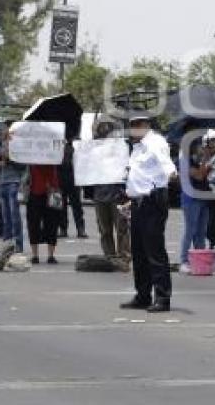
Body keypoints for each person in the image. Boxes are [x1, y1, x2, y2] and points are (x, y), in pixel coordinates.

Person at [120, 114, 177, 313]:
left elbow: (165, 161)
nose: (135, 127)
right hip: (138, 202)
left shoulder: (155, 142)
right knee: (139, 252)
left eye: (139, 124)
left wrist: (171, 172)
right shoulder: (137, 147)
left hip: (153, 201)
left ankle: (162, 297)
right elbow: (138, 176)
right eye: (132, 124)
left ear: (147, 124)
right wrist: (130, 198)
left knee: (154, 251)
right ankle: (142, 295)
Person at [93, 120, 130, 267]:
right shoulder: (94, 151)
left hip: (117, 193)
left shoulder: (122, 149)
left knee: (121, 227)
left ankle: (124, 257)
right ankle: (109, 256)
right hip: (100, 194)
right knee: (104, 229)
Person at [178, 129, 211, 274]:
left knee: (201, 232)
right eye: (199, 144)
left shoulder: (197, 158)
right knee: (190, 230)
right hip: (190, 199)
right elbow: (199, 176)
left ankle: (199, 259)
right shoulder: (184, 158)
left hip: (204, 197)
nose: (201, 146)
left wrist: (206, 159)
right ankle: (184, 261)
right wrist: (205, 160)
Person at [26, 164, 62, 264]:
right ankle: (35, 255)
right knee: (33, 224)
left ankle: (50, 255)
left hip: (53, 190)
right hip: (35, 190)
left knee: (53, 223)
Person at [0, 129, 25, 253]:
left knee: (14, 216)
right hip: (3, 182)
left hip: (14, 182)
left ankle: (18, 244)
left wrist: (10, 159)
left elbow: (23, 166)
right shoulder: (2, 146)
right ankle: (7, 244)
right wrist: (0, 161)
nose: (8, 136)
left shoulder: (20, 148)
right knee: (5, 217)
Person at [57, 142, 87, 238]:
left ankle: (80, 228)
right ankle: (63, 229)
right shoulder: (56, 144)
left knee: (77, 205)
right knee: (61, 205)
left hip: (73, 177)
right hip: (60, 177)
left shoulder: (74, 144)